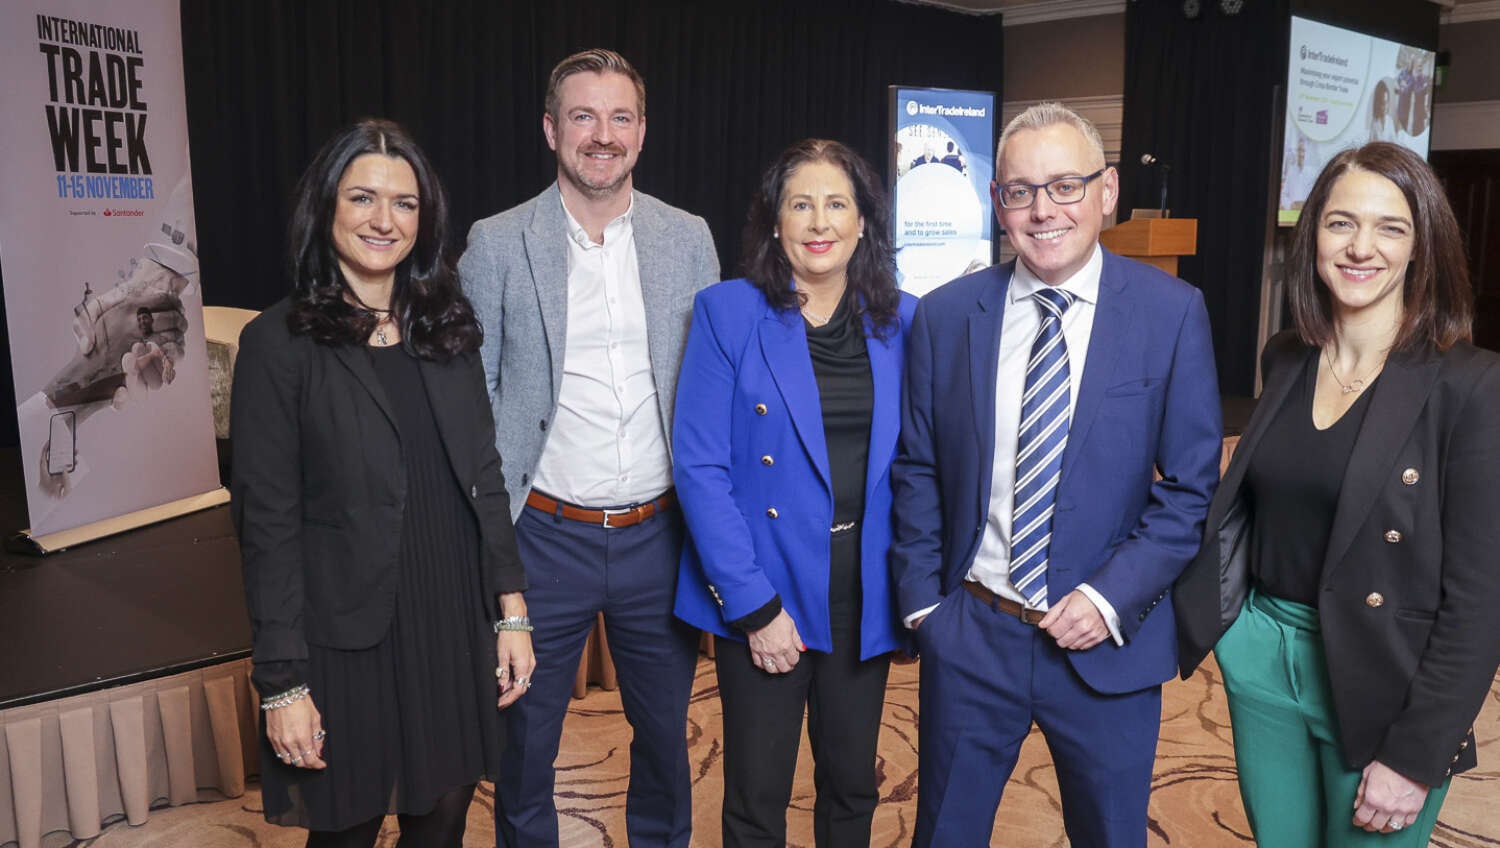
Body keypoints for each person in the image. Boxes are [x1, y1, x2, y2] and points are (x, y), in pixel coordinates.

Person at [889, 101, 1223, 847]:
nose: (1043, 210)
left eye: (1064, 186)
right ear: (997, 202)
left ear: (1105, 191)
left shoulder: (1171, 314)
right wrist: (924, 608)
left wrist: (1110, 598)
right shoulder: (945, 316)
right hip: (972, 633)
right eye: (1020, 190)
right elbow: (918, 469)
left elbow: (1192, 490)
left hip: (1104, 644)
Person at [1175, 141, 1500, 846]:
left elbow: (1480, 601)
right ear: (1313, 237)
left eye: (1391, 227)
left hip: (1383, 673)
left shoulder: (1470, 384)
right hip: (1263, 657)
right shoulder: (1287, 355)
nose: (1361, 247)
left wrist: (1416, 755)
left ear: (1421, 248)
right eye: (1340, 223)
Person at [232, 118, 533, 847]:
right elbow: (266, 526)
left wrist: (511, 609)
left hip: (451, 621)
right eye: (362, 197)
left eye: (404, 203)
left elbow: (483, 478)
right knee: (345, 830)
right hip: (343, 638)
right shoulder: (278, 344)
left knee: (443, 821)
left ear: (423, 220)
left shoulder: (446, 326)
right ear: (326, 208)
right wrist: (283, 684)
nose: (383, 219)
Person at [458, 49, 720, 848]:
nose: (602, 136)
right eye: (583, 116)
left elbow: (709, 393)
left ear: (641, 132)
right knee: (524, 744)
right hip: (543, 538)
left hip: (659, 536)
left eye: (620, 118)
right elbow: (477, 403)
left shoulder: (689, 239)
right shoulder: (498, 243)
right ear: (550, 129)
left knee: (668, 744)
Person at [673, 139, 917, 847]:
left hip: (862, 590)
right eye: (800, 203)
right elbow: (701, 469)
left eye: (837, 203)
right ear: (775, 222)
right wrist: (753, 607)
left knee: (853, 786)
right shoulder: (728, 313)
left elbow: (920, 465)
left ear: (864, 221)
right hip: (765, 586)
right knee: (757, 795)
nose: (819, 221)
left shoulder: (904, 321)